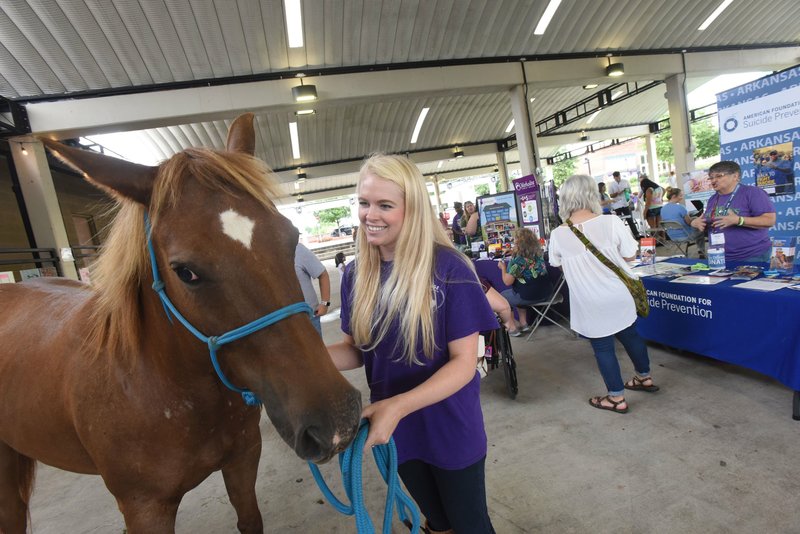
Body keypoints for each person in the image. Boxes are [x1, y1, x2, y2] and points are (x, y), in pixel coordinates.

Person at [327, 154, 498, 534]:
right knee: (436, 520)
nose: (371, 214)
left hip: (449, 424)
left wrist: (397, 407)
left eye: (385, 205)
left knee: (470, 523)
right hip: (396, 427)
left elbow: (463, 363)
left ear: (412, 209)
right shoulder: (356, 275)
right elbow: (357, 350)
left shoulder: (450, 269)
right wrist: (300, 358)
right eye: (364, 202)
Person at [548, 174, 659, 414]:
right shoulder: (610, 222)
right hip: (618, 293)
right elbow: (630, 256)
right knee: (631, 335)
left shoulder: (558, 234)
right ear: (591, 194)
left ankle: (616, 398)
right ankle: (644, 377)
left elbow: (557, 264)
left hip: (589, 301)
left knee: (603, 348)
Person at [690, 161, 776, 263]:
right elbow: (707, 220)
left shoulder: (753, 193)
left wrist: (738, 220)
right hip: (719, 257)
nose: (713, 181)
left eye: (719, 176)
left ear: (735, 176)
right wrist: (695, 222)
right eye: (711, 177)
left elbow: (769, 220)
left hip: (751, 256)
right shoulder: (713, 199)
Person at [497, 227, 552, 337]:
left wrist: (503, 268)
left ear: (518, 243)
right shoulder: (538, 254)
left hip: (529, 296)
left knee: (502, 297)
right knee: (519, 289)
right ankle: (523, 323)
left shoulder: (518, 260)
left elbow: (507, 281)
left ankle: (512, 328)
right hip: (547, 294)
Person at [294, 243, 331, 336]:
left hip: (309, 318)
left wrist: (325, 304)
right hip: (281, 322)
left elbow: (323, 275)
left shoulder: (297, 249)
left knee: (316, 350)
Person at [661, 187, 706, 257]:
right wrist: (694, 218)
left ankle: (700, 251)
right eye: (680, 195)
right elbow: (689, 223)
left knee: (695, 221)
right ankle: (701, 251)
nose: (682, 197)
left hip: (672, 236)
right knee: (701, 229)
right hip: (685, 236)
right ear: (674, 196)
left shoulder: (662, 209)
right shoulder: (681, 207)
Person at [608, 171, 641, 239]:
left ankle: (636, 234)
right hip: (617, 205)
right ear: (614, 177)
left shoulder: (625, 181)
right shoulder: (611, 184)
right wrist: (618, 193)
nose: (618, 179)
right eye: (617, 178)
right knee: (619, 222)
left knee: (630, 219)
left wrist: (630, 194)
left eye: (619, 177)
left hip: (625, 203)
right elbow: (611, 195)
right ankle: (621, 237)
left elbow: (630, 192)